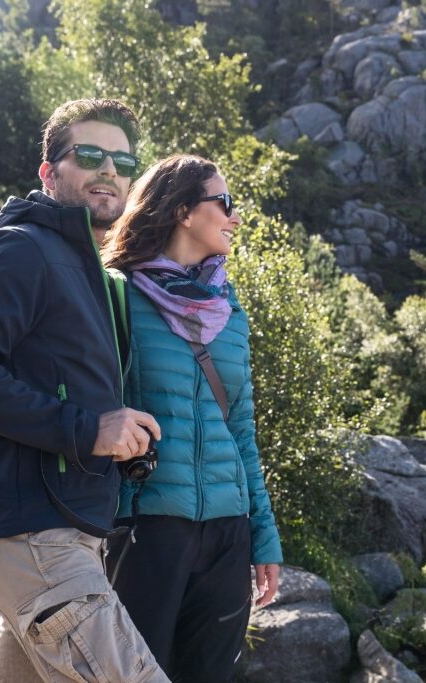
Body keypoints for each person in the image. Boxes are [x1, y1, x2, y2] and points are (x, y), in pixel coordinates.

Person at [0, 98, 169, 683]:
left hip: (67, 532)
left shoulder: (82, 264)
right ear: (49, 171)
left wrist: (115, 428)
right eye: (89, 155)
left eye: (122, 160)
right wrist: (88, 429)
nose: (109, 170)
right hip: (35, 538)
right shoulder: (23, 248)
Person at [102, 154, 283, 683]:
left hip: (228, 532)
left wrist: (263, 536)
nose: (235, 217)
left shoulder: (228, 311)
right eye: (223, 203)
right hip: (147, 529)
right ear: (183, 211)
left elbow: (242, 432)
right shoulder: (119, 296)